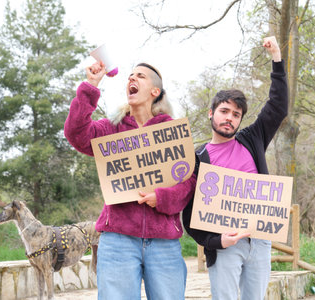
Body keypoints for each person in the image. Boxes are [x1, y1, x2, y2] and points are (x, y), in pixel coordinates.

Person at [64, 61, 196, 300]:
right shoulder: (111, 128)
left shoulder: (171, 130)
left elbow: (189, 179)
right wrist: (90, 86)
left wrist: (163, 198)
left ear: (155, 91)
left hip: (164, 241)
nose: (132, 79)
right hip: (117, 240)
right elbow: (76, 134)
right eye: (130, 76)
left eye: (140, 76)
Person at [182, 36, 288, 300]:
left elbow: (277, 106)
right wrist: (217, 242)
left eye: (236, 114)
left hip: (259, 239)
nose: (229, 118)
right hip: (225, 245)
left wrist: (276, 58)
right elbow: (189, 215)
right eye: (224, 111)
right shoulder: (197, 159)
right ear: (211, 113)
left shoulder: (253, 139)